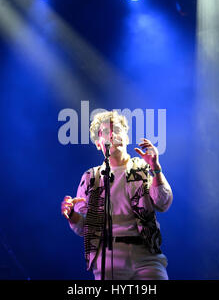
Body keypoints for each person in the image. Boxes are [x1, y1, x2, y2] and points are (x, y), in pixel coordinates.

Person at [61, 110, 173, 280]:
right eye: (106, 132)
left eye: (118, 130)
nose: (113, 135)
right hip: (108, 258)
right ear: (99, 144)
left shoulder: (142, 168)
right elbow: (84, 228)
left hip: (146, 256)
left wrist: (155, 168)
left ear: (126, 138)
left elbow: (163, 203)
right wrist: (71, 215)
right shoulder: (91, 178)